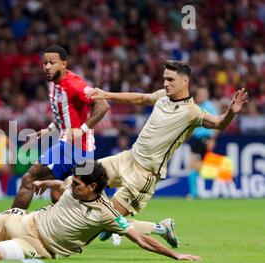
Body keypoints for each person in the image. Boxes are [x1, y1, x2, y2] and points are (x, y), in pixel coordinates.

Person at [0, 160, 199, 261]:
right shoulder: (76, 182)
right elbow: (65, 182)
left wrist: (176, 257)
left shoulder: (106, 213)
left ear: (94, 189)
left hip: (37, 246)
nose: (73, 186)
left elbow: (139, 240)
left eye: (79, 185)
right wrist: (53, 185)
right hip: (26, 221)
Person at [89, 60, 248, 245]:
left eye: (171, 80)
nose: (166, 83)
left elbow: (219, 123)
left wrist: (230, 113)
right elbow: (140, 98)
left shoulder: (192, 113)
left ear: (184, 82)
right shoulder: (162, 96)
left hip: (144, 176)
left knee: (103, 220)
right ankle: (111, 222)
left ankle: (161, 228)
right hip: (127, 158)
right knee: (84, 174)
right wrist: (107, 94)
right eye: (165, 79)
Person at [11, 45, 110, 209]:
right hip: (68, 145)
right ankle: (106, 226)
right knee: (59, 195)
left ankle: (9, 222)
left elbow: (103, 105)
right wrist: (48, 129)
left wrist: (82, 130)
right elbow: (63, 115)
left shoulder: (74, 84)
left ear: (64, 64)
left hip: (76, 147)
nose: (47, 67)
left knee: (30, 178)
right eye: (45, 63)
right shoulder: (54, 84)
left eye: (52, 62)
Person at [188, 86, 219, 199]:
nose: (202, 96)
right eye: (200, 94)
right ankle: (194, 192)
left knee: (197, 166)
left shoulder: (209, 106)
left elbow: (217, 123)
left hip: (205, 139)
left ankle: (196, 192)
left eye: (204, 94)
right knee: (192, 166)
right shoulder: (196, 107)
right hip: (196, 139)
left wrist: (212, 139)